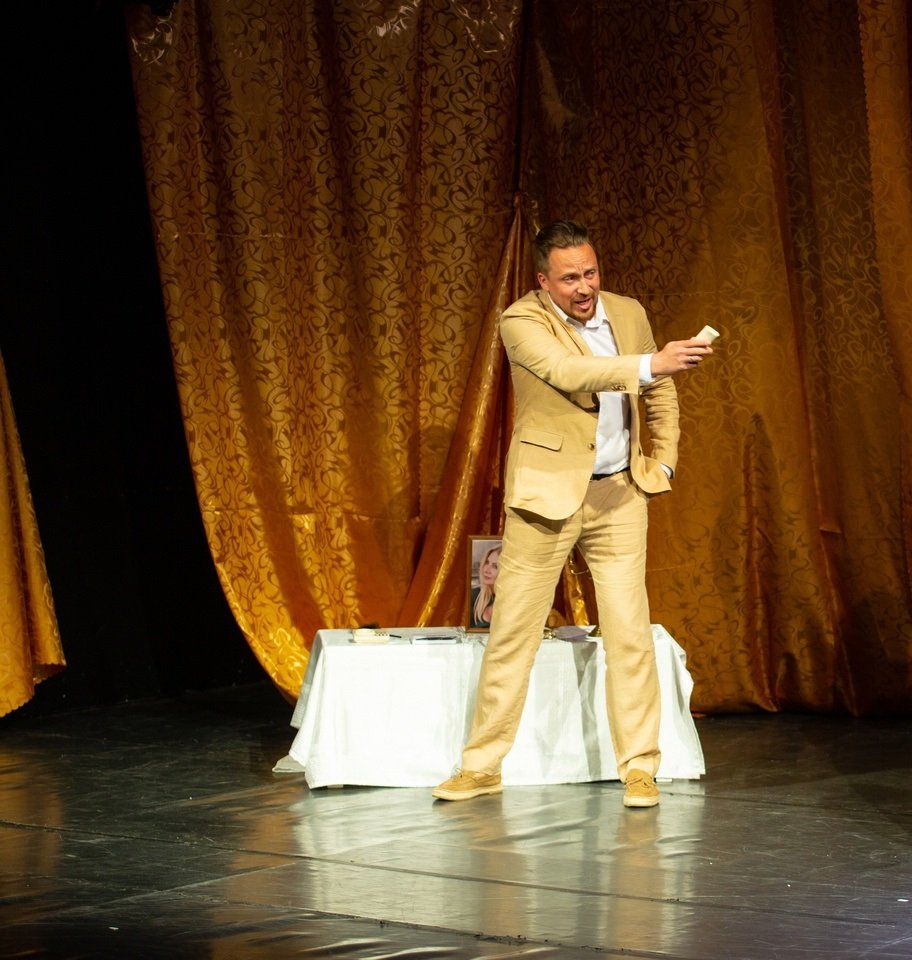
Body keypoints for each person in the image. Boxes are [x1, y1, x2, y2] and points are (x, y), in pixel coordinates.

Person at [433, 220, 713, 808]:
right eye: (569, 278)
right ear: (544, 281)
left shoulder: (628, 313)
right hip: (546, 497)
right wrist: (650, 364)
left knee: (630, 634)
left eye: (590, 273)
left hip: (619, 495)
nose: (584, 287)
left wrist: (662, 462)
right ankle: (481, 765)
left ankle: (640, 768)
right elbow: (569, 373)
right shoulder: (521, 321)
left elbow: (660, 395)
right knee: (513, 633)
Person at [470, 544, 501, 628]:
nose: (486, 570)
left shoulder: (518, 602)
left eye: (495, 566)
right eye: (487, 562)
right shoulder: (473, 595)